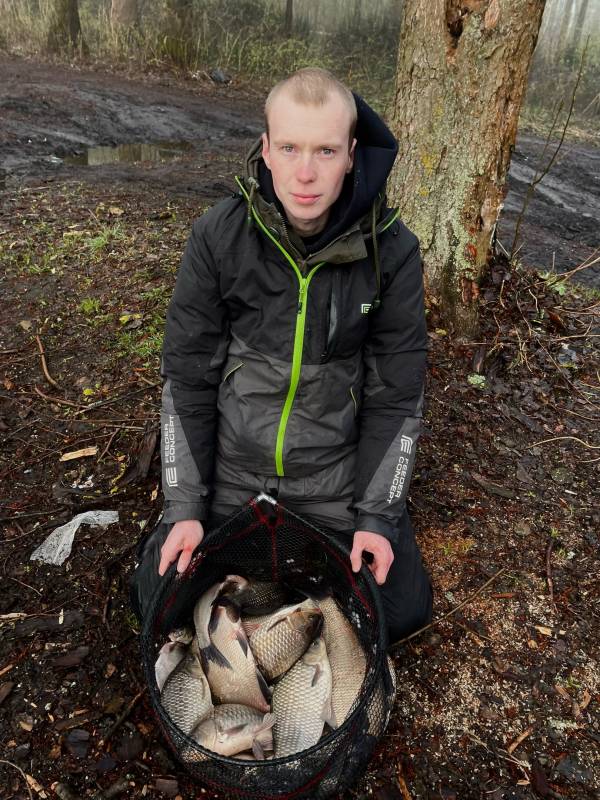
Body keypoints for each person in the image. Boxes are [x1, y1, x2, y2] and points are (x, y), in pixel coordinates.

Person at [156, 67, 432, 642]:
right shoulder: (217, 236)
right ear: (266, 150)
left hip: (331, 481)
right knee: (157, 598)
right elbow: (187, 378)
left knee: (400, 611)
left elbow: (396, 394)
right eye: (289, 148)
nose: (306, 173)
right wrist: (185, 507)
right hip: (233, 473)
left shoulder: (395, 252)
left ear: (352, 154)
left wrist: (377, 519)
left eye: (326, 151)